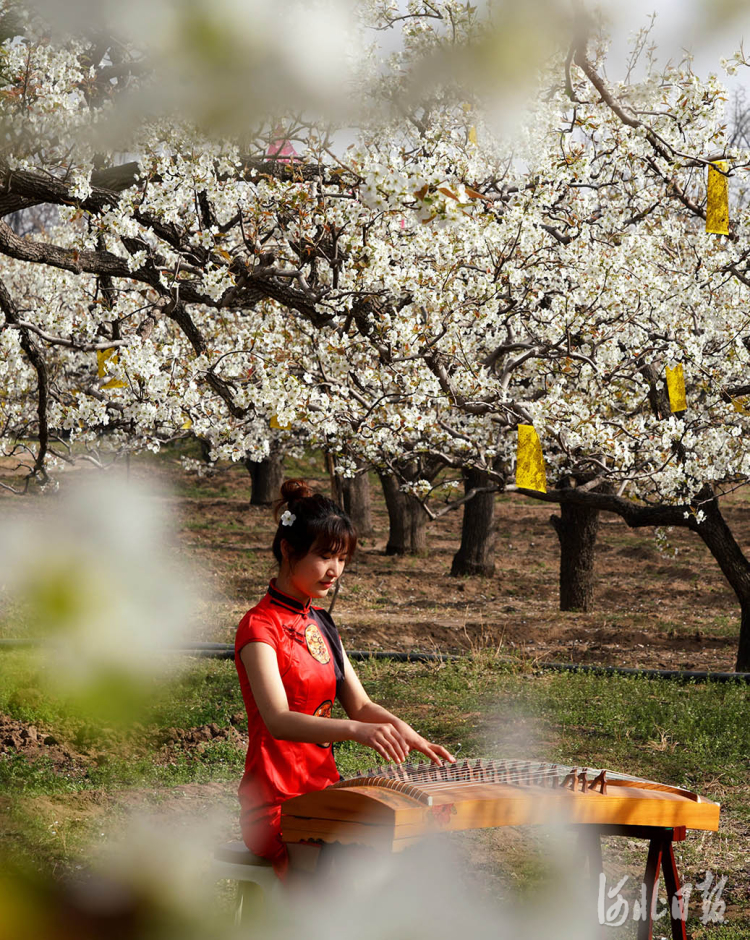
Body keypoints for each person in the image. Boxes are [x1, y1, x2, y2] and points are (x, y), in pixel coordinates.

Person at [235, 479, 455, 878]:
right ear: (288, 550)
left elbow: (362, 705)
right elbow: (278, 720)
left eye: (342, 559)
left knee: (401, 850)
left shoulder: (321, 623)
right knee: (339, 876)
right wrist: (355, 731)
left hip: (324, 793)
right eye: (324, 556)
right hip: (278, 801)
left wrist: (411, 735)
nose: (334, 570)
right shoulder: (259, 627)